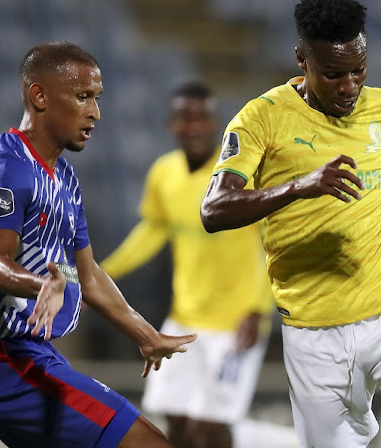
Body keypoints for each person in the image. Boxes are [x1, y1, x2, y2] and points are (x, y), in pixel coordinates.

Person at [200, 0, 381, 448]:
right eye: (333, 74)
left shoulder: (379, 106)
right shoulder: (260, 120)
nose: (349, 86)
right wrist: (301, 186)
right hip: (315, 333)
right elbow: (213, 210)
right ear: (302, 60)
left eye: (358, 71)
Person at [0, 42, 196, 448]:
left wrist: (144, 334)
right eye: (83, 97)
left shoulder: (64, 179)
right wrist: (41, 286)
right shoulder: (4, 166)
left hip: (32, 354)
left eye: (97, 99)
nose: (95, 113)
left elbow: (88, 274)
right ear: (40, 96)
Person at [99, 81, 273, 448]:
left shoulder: (239, 174)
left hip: (235, 322)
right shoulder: (164, 173)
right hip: (184, 320)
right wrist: (102, 271)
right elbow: (153, 231)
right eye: (184, 117)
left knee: (209, 430)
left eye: (201, 118)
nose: (193, 126)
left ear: (215, 125)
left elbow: (269, 243)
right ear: (171, 125)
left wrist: (258, 308)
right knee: (174, 427)